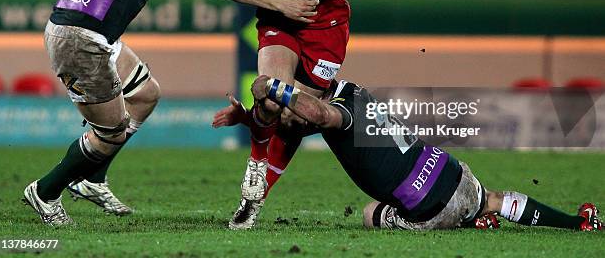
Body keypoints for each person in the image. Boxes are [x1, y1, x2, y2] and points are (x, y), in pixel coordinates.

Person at [22, 0, 318, 226]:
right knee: (112, 132)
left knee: (146, 94)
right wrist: (279, 4)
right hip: (82, 39)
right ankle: (45, 192)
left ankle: (93, 178)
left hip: (89, 31)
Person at [115, 0, 351, 229]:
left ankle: (259, 186)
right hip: (279, 19)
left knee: (294, 121)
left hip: (325, 27)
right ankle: (253, 180)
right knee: (272, 95)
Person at [212, 75, 603, 232]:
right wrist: (250, 118)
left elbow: (311, 113)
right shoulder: (352, 91)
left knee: (370, 214)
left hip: (429, 208)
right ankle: (576, 223)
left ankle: (466, 224)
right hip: (452, 172)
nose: (290, 113)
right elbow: (300, 121)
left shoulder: (337, 115)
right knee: (493, 199)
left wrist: (272, 87)